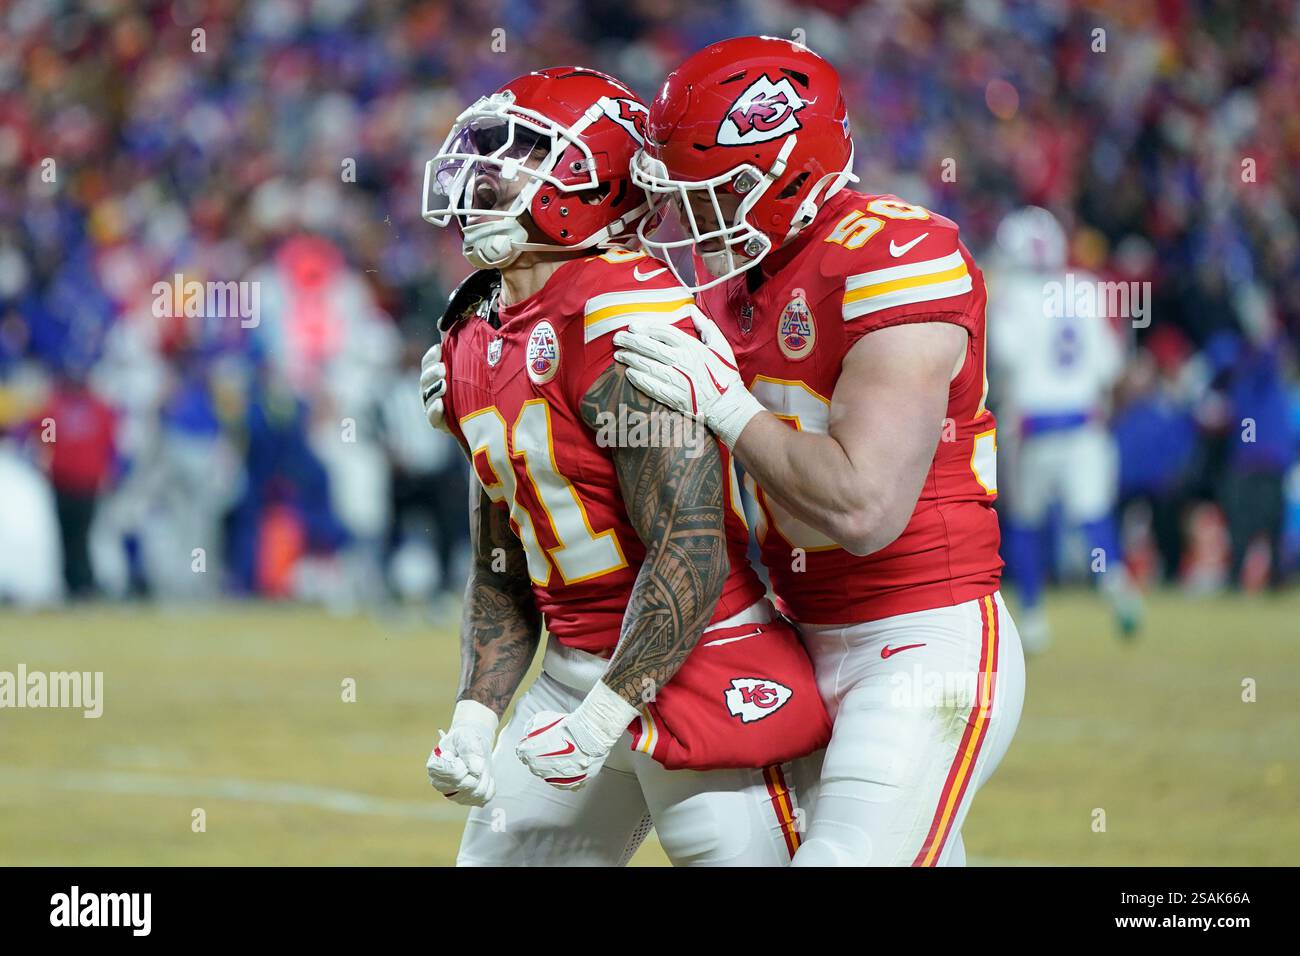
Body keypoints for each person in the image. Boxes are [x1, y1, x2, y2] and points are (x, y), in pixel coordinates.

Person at [610, 37, 1024, 865]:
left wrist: (727, 407)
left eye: (715, 193)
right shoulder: (740, 276)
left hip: (919, 631)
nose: (692, 223)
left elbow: (865, 507)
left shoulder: (893, 258)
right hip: (793, 633)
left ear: (788, 177)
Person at [419, 67, 829, 866]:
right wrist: (476, 714)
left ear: (592, 179)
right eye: (483, 151)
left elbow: (691, 549)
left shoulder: (624, 320)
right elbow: (505, 554)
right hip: (573, 669)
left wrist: (603, 719)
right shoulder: (476, 326)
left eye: (519, 155)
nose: (482, 176)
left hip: (701, 666)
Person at [986, 206, 1142, 650]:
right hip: (1084, 421)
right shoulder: (1084, 288)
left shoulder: (1010, 295)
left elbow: (1007, 357)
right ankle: (1115, 585)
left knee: (1026, 522)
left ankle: (1033, 617)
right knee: (1092, 516)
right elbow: (1110, 365)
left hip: (1032, 425)